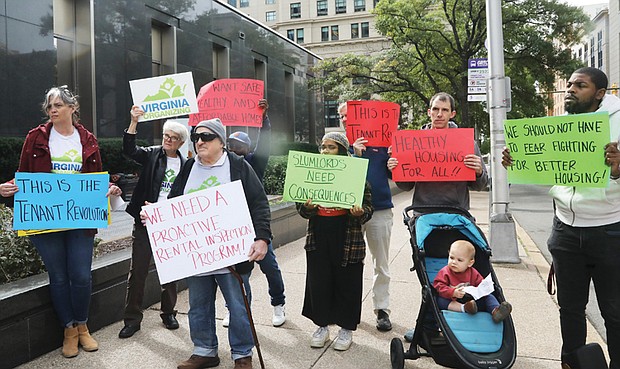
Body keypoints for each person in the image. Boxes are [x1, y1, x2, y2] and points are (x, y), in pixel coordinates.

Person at [502, 67, 620, 369]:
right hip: (565, 231)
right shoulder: (558, 126)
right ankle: (572, 363)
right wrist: (517, 161)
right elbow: (542, 168)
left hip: (609, 232)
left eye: (580, 85)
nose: (570, 89)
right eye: (569, 84)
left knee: (614, 311)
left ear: (599, 94)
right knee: (569, 309)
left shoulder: (618, 122)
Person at [0, 86, 122, 358]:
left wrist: (110, 189)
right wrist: (6, 187)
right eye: (49, 106)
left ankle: (82, 325)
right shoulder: (36, 137)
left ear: (72, 108)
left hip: (79, 218)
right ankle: (68, 329)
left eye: (58, 105)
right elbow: (23, 174)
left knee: (80, 274)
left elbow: (97, 175)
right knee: (58, 276)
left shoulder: (87, 139)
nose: (52, 110)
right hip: (46, 220)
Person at [162, 118, 270, 369]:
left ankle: (242, 354)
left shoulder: (238, 166)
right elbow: (173, 203)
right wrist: (156, 215)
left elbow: (259, 204)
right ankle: (205, 350)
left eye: (207, 137)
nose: (200, 141)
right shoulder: (188, 167)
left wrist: (262, 238)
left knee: (238, 307)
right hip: (197, 256)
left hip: (233, 256)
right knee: (198, 306)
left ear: (221, 142)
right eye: (196, 137)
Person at [387, 92, 488, 342]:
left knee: (458, 274)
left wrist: (478, 170)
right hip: (424, 219)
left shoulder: (466, 142)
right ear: (429, 111)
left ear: (452, 113)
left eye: (444, 110)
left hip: (456, 219)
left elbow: (481, 184)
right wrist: (395, 170)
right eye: (435, 110)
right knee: (431, 277)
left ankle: (445, 325)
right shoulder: (415, 141)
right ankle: (430, 326)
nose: (439, 114)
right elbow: (406, 185)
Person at [297, 132, 373, 351]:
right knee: (319, 282)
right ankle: (321, 326)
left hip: (347, 235)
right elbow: (301, 207)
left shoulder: (356, 176)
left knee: (347, 283)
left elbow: (369, 207)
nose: (325, 151)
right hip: (319, 234)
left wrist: (359, 213)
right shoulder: (311, 174)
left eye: (331, 147)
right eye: (323, 147)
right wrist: (308, 207)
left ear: (342, 150)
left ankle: (346, 329)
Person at [118, 106, 189, 338]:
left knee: (170, 272)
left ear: (180, 142)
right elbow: (129, 150)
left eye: (174, 138)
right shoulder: (152, 154)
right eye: (166, 135)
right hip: (145, 222)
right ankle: (132, 320)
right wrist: (133, 122)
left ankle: (168, 313)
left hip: (169, 225)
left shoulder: (186, 165)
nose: (168, 140)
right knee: (137, 271)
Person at [225, 99, 286, 328]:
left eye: (238, 145)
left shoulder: (254, 163)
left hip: (256, 226)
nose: (233, 148)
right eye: (230, 144)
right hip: (233, 226)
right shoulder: (224, 166)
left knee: (269, 266)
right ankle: (237, 309)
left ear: (247, 149)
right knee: (238, 273)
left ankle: (278, 303)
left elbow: (265, 143)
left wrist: (264, 119)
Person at [338, 101, 395, 332]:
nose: (344, 119)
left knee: (380, 262)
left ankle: (382, 309)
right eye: (341, 116)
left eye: (347, 115)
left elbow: (398, 175)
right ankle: (348, 308)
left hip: (379, 210)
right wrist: (355, 155)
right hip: (350, 213)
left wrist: (394, 161)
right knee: (349, 262)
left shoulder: (383, 144)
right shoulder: (339, 147)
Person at [433, 240, 512, 323]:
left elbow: (481, 285)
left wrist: (483, 288)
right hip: (454, 301)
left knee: (488, 296)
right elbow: (438, 286)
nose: (454, 262)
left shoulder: (473, 272)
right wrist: (453, 292)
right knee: (439, 300)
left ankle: (495, 311)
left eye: (459, 260)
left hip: (472, 301)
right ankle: (464, 308)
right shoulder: (445, 272)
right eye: (451, 257)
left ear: (470, 263)